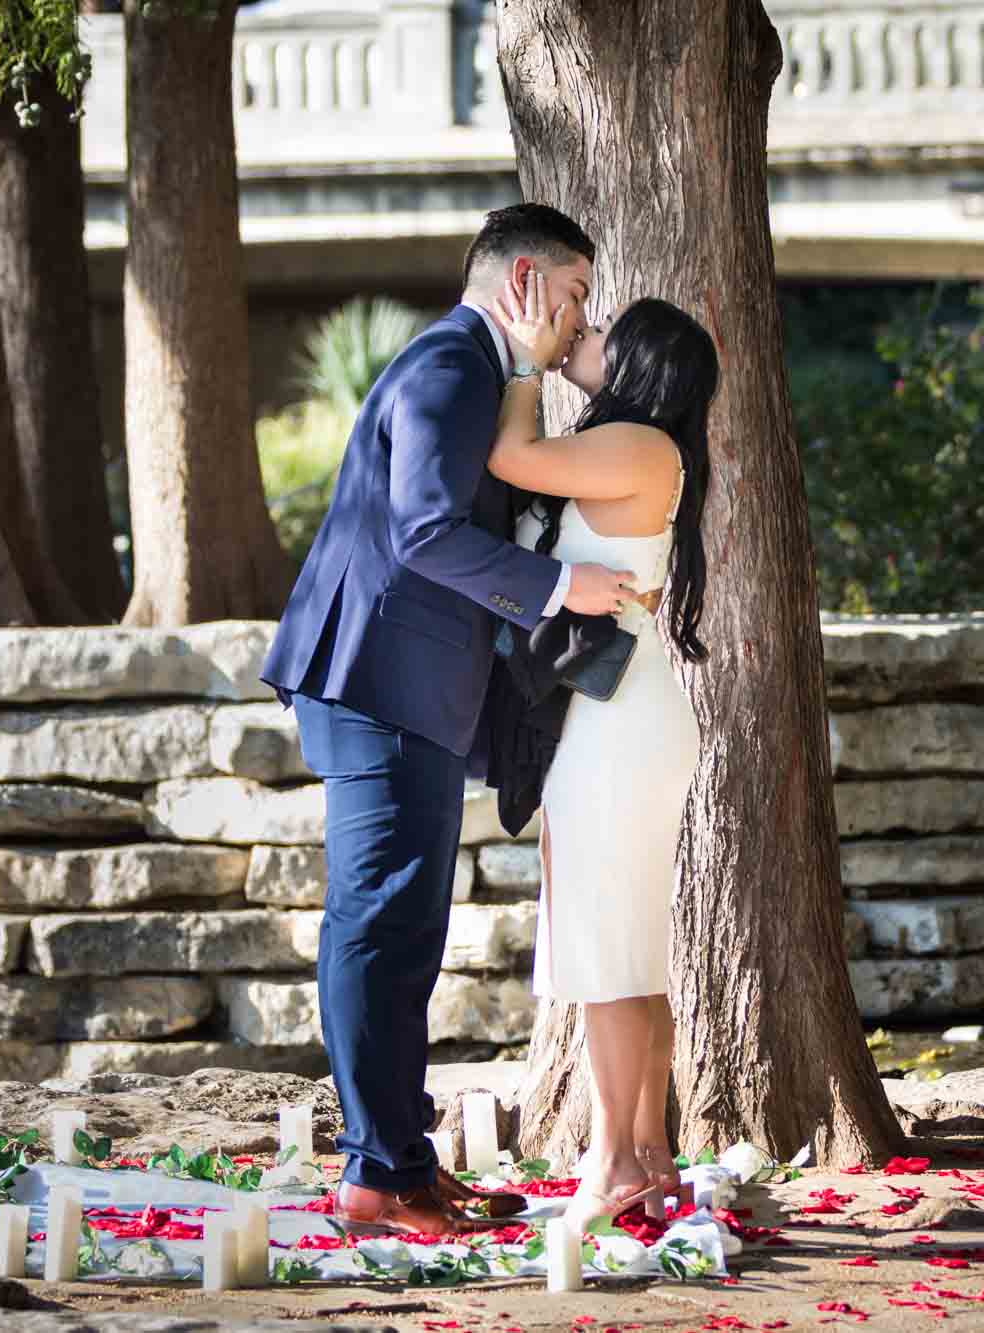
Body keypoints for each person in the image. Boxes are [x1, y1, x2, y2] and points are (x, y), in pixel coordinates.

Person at [260, 205, 638, 1237]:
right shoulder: (448, 368)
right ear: (521, 282)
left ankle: (404, 1165)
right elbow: (424, 528)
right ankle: (375, 1178)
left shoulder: (481, 369)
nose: (572, 326)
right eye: (567, 300)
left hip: (402, 687)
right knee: (380, 922)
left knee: (404, 927)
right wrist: (561, 586)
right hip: (376, 680)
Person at [487, 276, 719, 1232]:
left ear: (641, 366)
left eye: (605, 333)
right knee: (627, 944)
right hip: (625, 710)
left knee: (605, 946)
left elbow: (509, 456)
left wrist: (525, 357)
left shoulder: (632, 444)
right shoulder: (649, 451)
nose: (589, 333)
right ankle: (647, 1152)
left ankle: (617, 1157)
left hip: (616, 720)